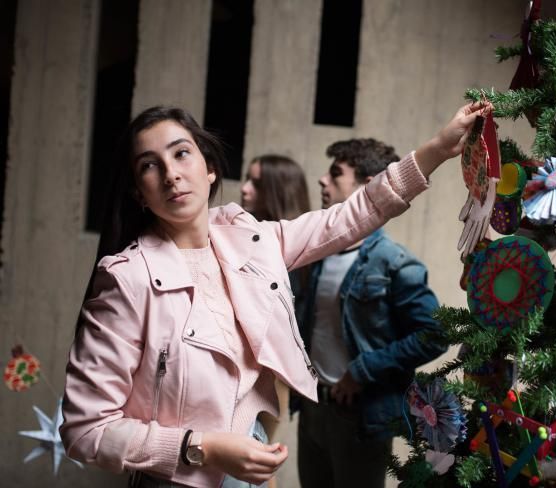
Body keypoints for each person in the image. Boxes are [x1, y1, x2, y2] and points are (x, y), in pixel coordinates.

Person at [60, 101, 487, 488]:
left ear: (209, 168)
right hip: (178, 478)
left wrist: (437, 149)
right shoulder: (126, 279)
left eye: (181, 153)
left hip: (252, 460)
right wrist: (201, 447)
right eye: (150, 166)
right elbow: (85, 430)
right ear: (140, 193)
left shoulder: (251, 240)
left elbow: (352, 215)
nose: (171, 173)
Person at [294, 138, 448, 487]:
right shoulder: (317, 253)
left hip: (360, 414)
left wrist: (362, 370)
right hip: (314, 406)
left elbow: (434, 334)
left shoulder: (394, 262)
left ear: (367, 186)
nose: (322, 180)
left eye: (335, 174)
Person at [240, 154, 311, 488]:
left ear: (277, 191)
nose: (244, 189)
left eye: (256, 182)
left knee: (256, 462)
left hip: (266, 377)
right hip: (238, 374)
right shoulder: (239, 238)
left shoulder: (287, 254)